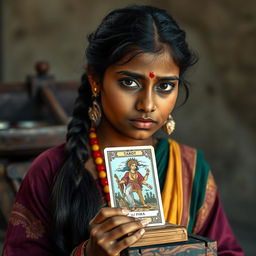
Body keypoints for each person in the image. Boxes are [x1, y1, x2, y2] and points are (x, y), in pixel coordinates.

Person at [2, 5, 244, 256]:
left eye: (165, 86)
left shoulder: (189, 169)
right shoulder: (51, 170)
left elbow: (226, 251)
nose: (147, 105)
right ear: (96, 80)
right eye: (129, 82)